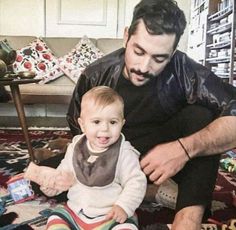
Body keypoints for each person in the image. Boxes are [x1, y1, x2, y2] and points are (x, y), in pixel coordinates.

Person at [65, 0, 236, 229]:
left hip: (165, 159)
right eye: (138, 51)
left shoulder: (183, 69)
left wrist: (184, 148)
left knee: (202, 115)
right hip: (113, 159)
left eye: (159, 58)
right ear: (126, 36)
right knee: (48, 178)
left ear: (173, 52)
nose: (144, 67)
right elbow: (80, 136)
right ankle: (151, 192)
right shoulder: (95, 75)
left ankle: (187, 220)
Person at [25, 86, 147, 230]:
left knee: (126, 227)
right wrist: (53, 186)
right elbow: (63, 173)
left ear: (122, 123)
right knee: (55, 217)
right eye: (96, 122)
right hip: (75, 211)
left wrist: (123, 206)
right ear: (82, 125)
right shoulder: (75, 147)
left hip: (110, 215)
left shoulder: (125, 152)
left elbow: (136, 182)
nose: (105, 129)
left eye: (113, 122)